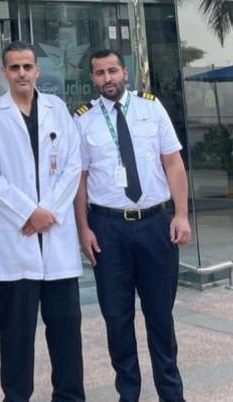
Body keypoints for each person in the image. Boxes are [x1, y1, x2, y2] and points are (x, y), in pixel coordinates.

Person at [74, 49, 191, 402]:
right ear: (92, 78)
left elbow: (173, 163)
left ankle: (171, 395)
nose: (107, 78)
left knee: (160, 316)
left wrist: (181, 214)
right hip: (108, 229)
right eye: (99, 73)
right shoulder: (83, 119)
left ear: (125, 72)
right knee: (117, 318)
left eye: (112, 71)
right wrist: (83, 229)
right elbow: (79, 180)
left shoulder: (151, 108)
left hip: (155, 225)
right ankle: (128, 394)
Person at [0, 41, 85, 402]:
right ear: (4, 72)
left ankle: (69, 396)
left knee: (66, 330)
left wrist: (47, 212)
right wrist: (29, 213)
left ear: (37, 70)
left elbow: (72, 165)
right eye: (14, 67)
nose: (21, 73)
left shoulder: (58, 109)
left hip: (54, 237)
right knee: (16, 335)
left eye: (27, 66)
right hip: (15, 240)